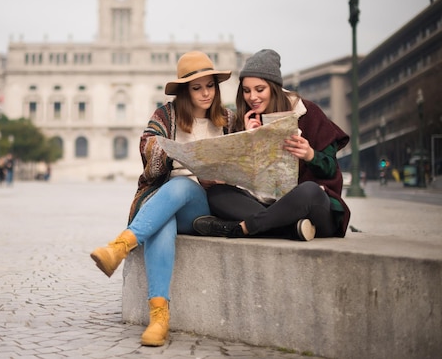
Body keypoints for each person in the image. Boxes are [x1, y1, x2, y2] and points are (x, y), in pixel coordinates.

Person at [90, 51, 235, 346]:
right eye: (197, 88)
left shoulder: (228, 121)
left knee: (182, 187)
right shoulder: (165, 116)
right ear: (185, 91)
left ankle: (121, 246)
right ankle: (159, 317)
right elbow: (148, 151)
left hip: (208, 207)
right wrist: (161, 149)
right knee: (164, 220)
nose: (205, 93)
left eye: (210, 86)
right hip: (169, 206)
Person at [193, 49, 351, 241]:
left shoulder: (308, 113)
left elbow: (331, 170)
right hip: (264, 205)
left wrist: (310, 155)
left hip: (308, 207)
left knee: (309, 191)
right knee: (218, 194)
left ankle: (246, 227)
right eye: (246, 90)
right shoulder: (244, 119)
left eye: (260, 89)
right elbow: (240, 179)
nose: (252, 97)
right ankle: (291, 229)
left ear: (274, 88)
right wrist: (249, 140)